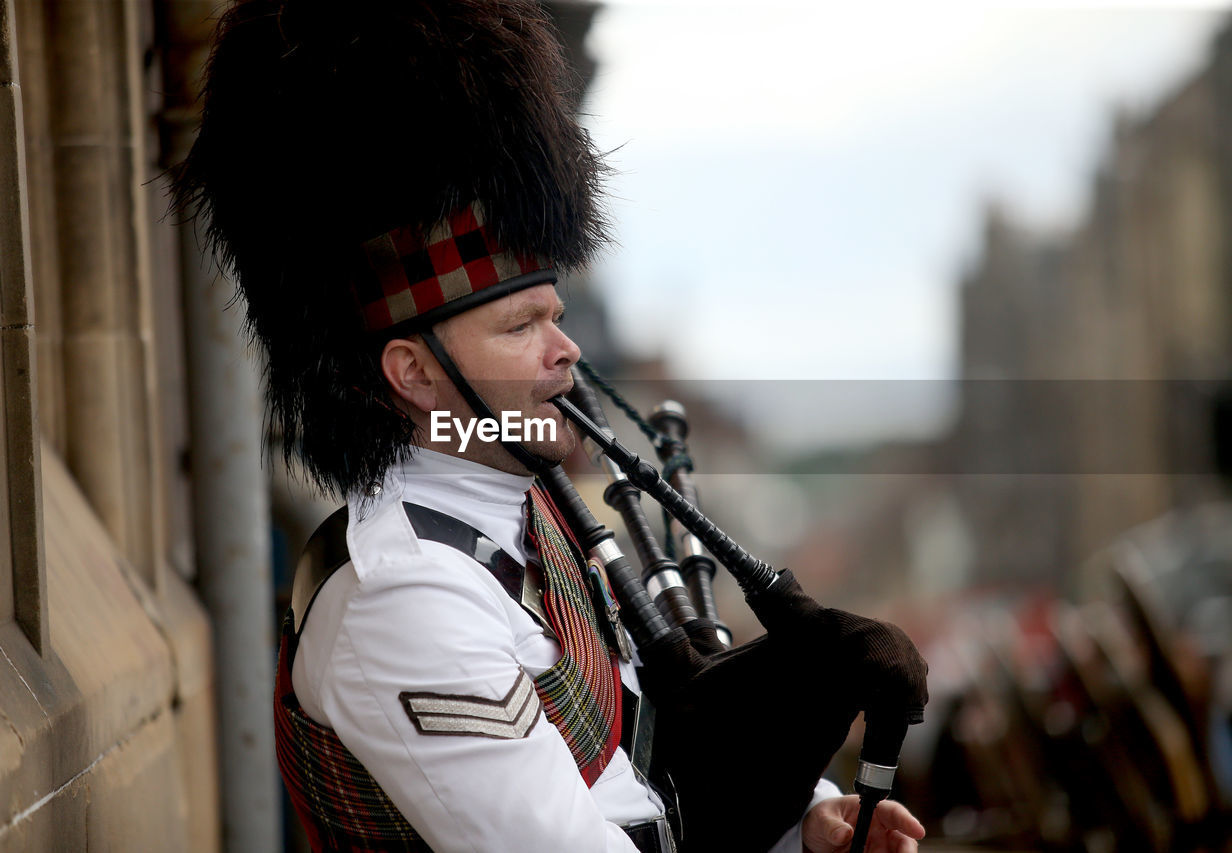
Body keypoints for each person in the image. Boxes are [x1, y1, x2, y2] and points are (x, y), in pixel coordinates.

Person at [173, 1, 928, 850]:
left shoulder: (534, 519)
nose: (566, 351)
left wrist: (803, 822)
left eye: (555, 315)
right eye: (519, 326)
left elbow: (641, 778)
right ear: (413, 373)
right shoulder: (407, 597)